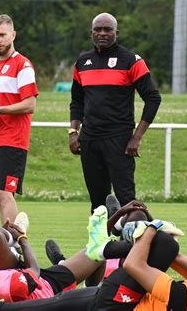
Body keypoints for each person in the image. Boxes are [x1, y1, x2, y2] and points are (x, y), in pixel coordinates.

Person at [0, 213, 187, 310]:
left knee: (58, 304)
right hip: (127, 295)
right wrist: (158, 234)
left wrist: (150, 230)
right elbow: (175, 256)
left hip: (123, 305)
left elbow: (135, 266)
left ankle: (102, 248)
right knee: (58, 304)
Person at [69, 12, 162, 213]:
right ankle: (101, 244)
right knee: (98, 202)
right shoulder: (82, 62)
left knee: (127, 199)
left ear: (116, 32)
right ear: (91, 33)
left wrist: (136, 137)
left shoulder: (131, 60)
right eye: (98, 29)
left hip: (119, 139)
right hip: (90, 139)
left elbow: (153, 98)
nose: (102, 33)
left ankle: (135, 242)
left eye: (107, 29)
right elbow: (77, 101)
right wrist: (73, 132)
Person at [0, 14, 39, 224]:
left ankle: (15, 246)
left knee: (4, 194)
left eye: (2, 34)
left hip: (13, 140)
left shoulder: (23, 65)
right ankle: (8, 246)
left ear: (13, 35)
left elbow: (30, 104)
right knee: (0, 195)